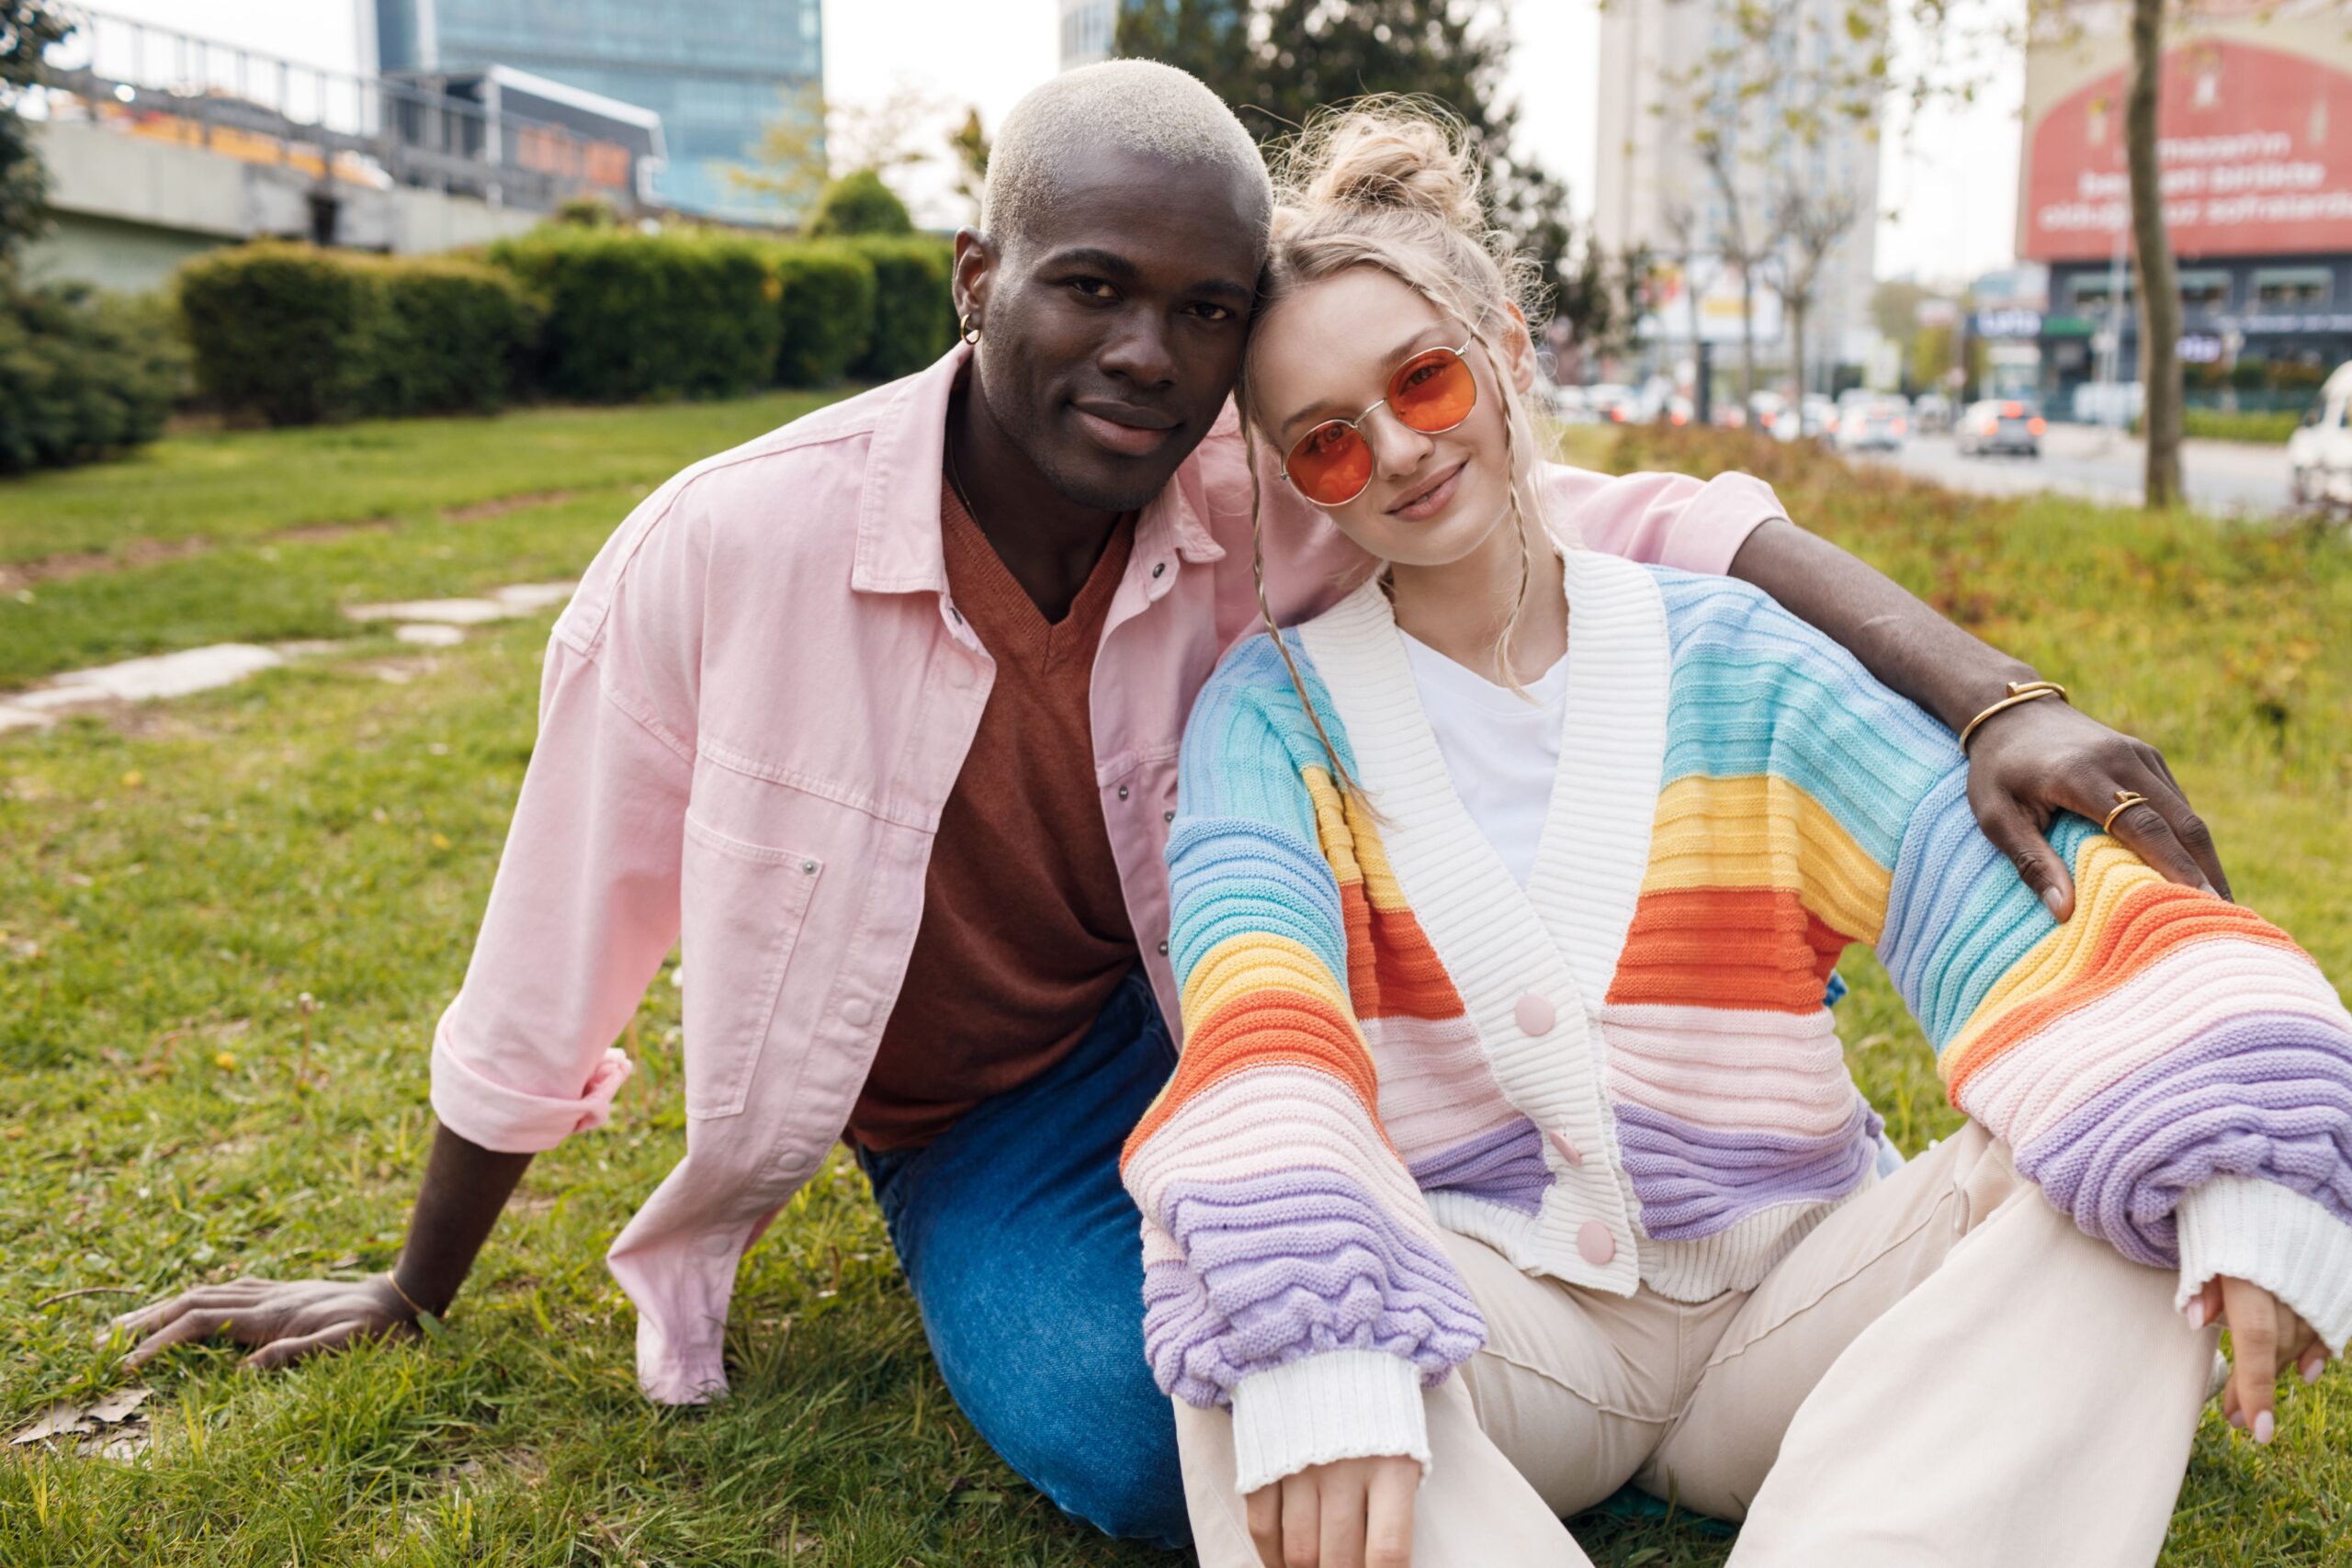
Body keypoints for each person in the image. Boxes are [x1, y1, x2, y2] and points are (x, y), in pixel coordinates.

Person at [108, 65, 2233, 1550]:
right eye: (1090, 286)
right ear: (974, 276)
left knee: (1375, 1303)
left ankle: (1759, 1369)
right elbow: (547, 946)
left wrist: (1992, 695)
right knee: (1165, 1423)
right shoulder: (716, 558)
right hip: (985, 1117)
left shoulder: (1249, 489)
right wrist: (415, 1284)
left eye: (1201, 310)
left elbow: (1633, 514)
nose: (1145, 348)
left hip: (1251, 1003)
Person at [1127, 102, 2352, 1566]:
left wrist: (2245, 1136)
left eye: (1427, 380)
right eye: (1328, 443)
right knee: (1251, 1308)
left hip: (1803, 1313)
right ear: (1285, 480)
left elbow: (1993, 895)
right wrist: (1308, 1332)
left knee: (2131, 1157)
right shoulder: (1269, 719)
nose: (1397, 449)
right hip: (1507, 1339)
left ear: (1510, 353)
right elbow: (1254, 1014)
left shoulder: (1743, 660)